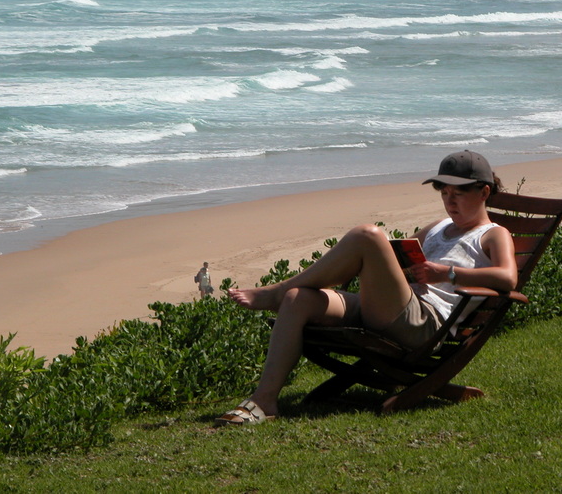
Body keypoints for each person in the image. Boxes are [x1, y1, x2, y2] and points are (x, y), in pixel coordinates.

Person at [215, 150, 517, 426]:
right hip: (391, 307)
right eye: (445, 193)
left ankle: (274, 293)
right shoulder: (438, 227)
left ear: (484, 192)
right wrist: (401, 267)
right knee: (299, 299)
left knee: (368, 235)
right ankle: (265, 400)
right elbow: (397, 259)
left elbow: (507, 278)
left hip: (424, 324)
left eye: (459, 194)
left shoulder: (492, 234)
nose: (450, 202)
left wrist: (447, 273)